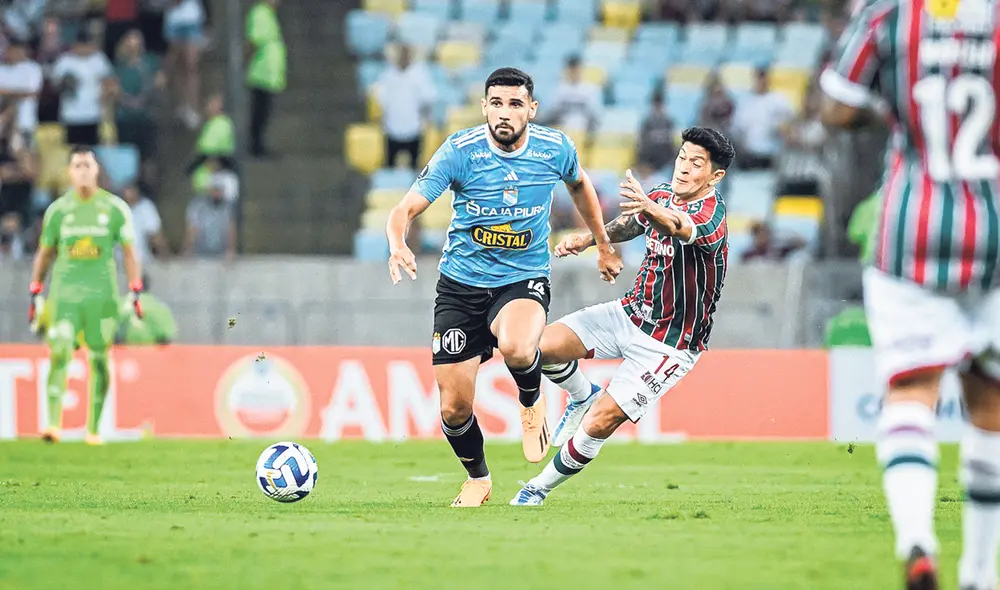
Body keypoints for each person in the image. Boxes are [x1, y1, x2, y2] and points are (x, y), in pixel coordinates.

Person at [819, 2, 1000, 589]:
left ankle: (917, 539)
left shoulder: (891, 12)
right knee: (992, 407)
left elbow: (837, 107)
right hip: (995, 229)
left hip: (911, 226)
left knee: (910, 390)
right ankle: (977, 576)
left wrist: (893, 107)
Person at [385, 67, 622, 508]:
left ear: (531, 108)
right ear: (484, 107)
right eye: (496, 103)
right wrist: (397, 243)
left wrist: (603, 245)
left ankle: (531, 403)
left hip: (522, 277)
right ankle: (478, 478)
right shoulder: (459, 151)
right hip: (460, 285)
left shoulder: (554, 148)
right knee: (454, 408)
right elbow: (405, 209)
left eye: (515, 104)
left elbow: (580, 185)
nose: (504, 113)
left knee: (517, 346)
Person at [509, 127, 735, 505]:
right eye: (682, 157)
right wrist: (588, 239)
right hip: (629, 313)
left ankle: (537, 488)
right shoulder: (661, 194)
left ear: (715, 176)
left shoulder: (712, 215)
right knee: (534, 346)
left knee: (601, 422)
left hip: (669, 343)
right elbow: (634, 223)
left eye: (696, 164)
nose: (683, 167)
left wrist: (649, 207)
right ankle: (581, 395)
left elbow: (678, 226)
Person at [28, 145, 144, 446]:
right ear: (69, 171)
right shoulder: (58, 211)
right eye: (77, 165)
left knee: (99, 360)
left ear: (96, 171)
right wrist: (36, 289)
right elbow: (45, 252)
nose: (82, 170)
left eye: (87, 165)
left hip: (101, 299)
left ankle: (93, 429)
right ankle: (53, 425)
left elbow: (130, 252)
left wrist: (135, 289)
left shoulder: (115, 208)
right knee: (61, 348)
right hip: (64, 296)